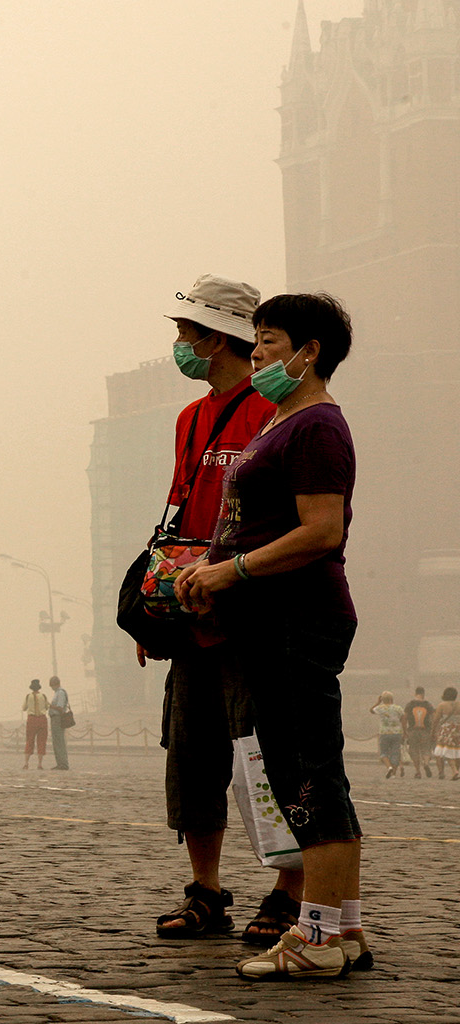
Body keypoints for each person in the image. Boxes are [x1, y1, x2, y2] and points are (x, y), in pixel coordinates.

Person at [175, 292, 368, 980]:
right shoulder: (285, 419)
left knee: (306, 777)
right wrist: (209, 567)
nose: (256, 352)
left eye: (269, 341)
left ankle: (312, 940)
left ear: (309, 353)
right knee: (313, 772)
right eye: (255, 341)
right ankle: (343, 930)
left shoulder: (316, 426)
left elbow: (322, 530)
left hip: (296, 617)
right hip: (270, 618)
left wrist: (232, 571)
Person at [149, 275, 292, 943]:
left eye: (186, 334)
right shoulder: (190, 418)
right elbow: (179, 516)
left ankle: (289, 893)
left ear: (216, 337)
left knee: (267, 756)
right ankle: (206, 890)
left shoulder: (276, 411)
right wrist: (157, 605)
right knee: (192, 756)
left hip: (255, 610)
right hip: (189, 612)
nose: (179, 345)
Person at [403, 688, 435, 779]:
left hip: (412, 730)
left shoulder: (410, 704)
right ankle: (426, 763)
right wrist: (433, 731)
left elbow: (404, 718)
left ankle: (418, 772)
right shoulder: (428, 705)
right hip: (425, 730)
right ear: (423, 694)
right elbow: (433, 718)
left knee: (414, 750)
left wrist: (404, 730)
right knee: (426, 749)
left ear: (415, 693)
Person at [370, 693, 405, 779]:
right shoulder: (398, 708)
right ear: (392, 699)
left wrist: (378, 702)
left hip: (384, 733)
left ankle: (389, 767)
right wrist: (404, 731)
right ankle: (393, 773)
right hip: (397, 732)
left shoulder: (380, 708)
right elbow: (403, 718)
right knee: (395, 753)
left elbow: (371, 710)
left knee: (384, 752)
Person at [432, 688, 460, 781]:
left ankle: (453, 771)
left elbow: (436, 720)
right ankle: (456, 770)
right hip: (458, 730)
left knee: (445, 751)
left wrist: (433, 731)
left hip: (446, 730)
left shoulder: (442, 705)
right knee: (456, 751)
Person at [21, 681, 49, 770]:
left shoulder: (28, 696)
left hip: (32, 719)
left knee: (29, 740)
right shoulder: (43, 696)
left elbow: (24, 708)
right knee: (41, 741)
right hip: (42, 719)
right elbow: (47, 707)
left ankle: (26, 763)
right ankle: (40, 764)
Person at [47, 676, 71, 771]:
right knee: (57, 741)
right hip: (55, 718)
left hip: (57, 718)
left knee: (59, 741)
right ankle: (60, 763)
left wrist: (50, 706)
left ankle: (63, 763)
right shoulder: (57, 693)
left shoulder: (60, 693)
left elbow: (60, 708)